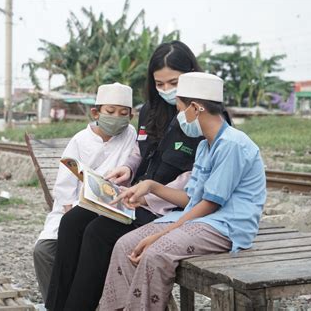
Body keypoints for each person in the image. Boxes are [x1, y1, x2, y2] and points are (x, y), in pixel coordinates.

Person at [45, 41, 208, 311]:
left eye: (173, 82)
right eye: (159, 83)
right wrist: (130, 169)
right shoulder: (150, 110)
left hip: (164, 207)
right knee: (72, 222)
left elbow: (197, 176)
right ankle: (56, 306)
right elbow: (140, 149)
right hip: (133, 196)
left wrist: (150, 197)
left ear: (191, 75)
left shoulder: (201, 115)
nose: (166, 90)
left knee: (98, 232)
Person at [99, 72, 267, 311]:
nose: (179, 118)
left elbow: (210, 204)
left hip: (227, 226)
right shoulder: (205, 146)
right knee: (125, 245)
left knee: (155, 254)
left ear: (196, 108)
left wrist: (160, 235)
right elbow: (191, 199)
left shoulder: (232, 145)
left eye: (180, 109)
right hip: (199, 219)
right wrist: (152, 186)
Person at [33, 82, 137, 302]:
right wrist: (73, 211)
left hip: (112, 210)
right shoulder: (80, 140)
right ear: (95, 112)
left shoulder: (130, 135)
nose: (116, 117)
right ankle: (55, 302)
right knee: (44, 250)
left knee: (91, 238)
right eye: (110, 112)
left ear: (131, 115)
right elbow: (65, 187)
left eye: (123, 113)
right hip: (75, 209)